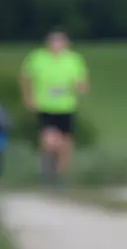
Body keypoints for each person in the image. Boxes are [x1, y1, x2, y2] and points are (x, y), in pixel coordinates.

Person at [19, 31, 89, 186]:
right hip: (45, 106)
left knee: (66, 144)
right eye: (54, 42)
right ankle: (48, 170)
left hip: (67, 106)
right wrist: (28, 97)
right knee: (49, 141)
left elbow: (82, 81)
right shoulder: (37, 58)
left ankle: (61, 176)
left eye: (61, 43)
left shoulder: (74, 60)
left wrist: (80, 88)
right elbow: (26, 77)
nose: (57, 46)